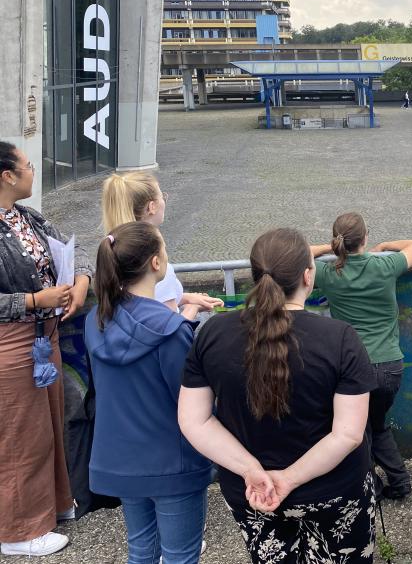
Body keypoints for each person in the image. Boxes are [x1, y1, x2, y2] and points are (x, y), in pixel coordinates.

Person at [179, 228, 378, 564]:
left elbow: (194, 420)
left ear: (256, 276)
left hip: (252, 494)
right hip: (335, 493)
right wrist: (289, 479)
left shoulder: (211, 333)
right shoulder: (340, 338)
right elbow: (348, 434)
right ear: (307, 275)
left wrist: (250, 470)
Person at [85, 221, 212, 564]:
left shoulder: (95, 319)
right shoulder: (171, 332)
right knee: (180, 556)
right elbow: (190, 400)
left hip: (121, 458)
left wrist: (184, 316)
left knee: (141, 551)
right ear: (156, 263)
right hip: (172, 461)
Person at [0, 142, 91, 557]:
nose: (33, 171)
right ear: (7, 175)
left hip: (43, 335)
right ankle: (18, 530)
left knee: (47, 425)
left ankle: (48, 508)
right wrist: (36, 301)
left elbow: (75, 252)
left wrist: (81, 285)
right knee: (20, 436)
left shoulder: (28, 216)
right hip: (12, 342)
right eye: (28, 165)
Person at [310, 213, 412, 501]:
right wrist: (387, 244)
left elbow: (295, 255)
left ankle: (370, 484)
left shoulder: (328, 273)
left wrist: (327, 248)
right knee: (376, 425)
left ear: (338, 241)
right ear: (365, 238)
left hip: (352, 368)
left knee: (356, 432)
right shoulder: (385, 265)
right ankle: (399, 481)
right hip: (389, 367)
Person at [101, 172, 222, 320]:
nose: (164, 200)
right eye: (162, 196)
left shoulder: (113, 249)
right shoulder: (157, 268)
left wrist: (186, 297)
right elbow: (171, 329)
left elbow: (145, 300)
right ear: (152, 207)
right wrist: (193, 308)